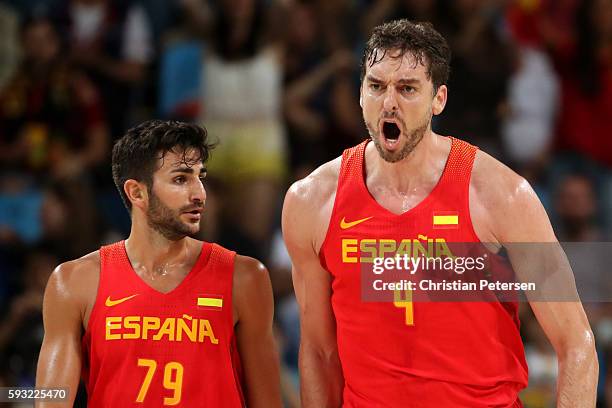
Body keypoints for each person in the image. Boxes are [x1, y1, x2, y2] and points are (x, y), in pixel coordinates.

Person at [282, 19, 598, 407]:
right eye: (376, 86)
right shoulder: (312, 201)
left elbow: (576, 343)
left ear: (439, 99)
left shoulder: (502, 195)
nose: (389, 103)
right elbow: (317, 352)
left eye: (408, 88)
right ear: (361, 93)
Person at [36, 120, 282, 407]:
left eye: (200, 177)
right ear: (137, 193)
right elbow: (50, 399)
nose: (199, 193)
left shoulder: (245, 277)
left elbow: (267, 402)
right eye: (181, 179)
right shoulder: (74, 282)